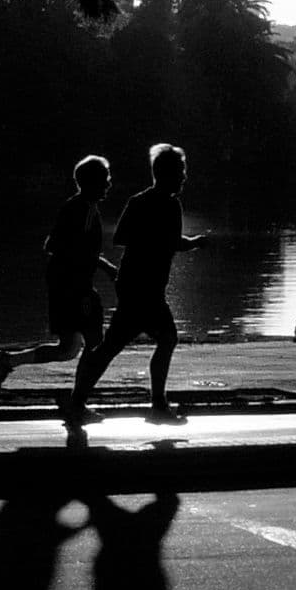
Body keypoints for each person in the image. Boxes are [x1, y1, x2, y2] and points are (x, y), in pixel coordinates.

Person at [67, 142, 200, 422]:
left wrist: (185, 243)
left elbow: (129, 238)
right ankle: (157, 405)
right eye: (181, 172)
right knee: (164, 339)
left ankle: (79, 400)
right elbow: (158, 241)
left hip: (135, 284)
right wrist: (185, 242)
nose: (185, 177)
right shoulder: (164, 204)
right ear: (168, 174)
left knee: (116, 345)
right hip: (144, 287)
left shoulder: (142, 202)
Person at [0, 155, 115, 398]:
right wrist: (96, 268)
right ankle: (79, 400)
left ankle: (7, 361)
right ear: (92, 183)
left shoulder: (85, 208)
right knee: (94, 344)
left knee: (68, 350)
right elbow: (55, 245)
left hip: (69, 285)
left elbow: (73, 248)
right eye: (105, 180)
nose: (108, 185)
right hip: (73, 288)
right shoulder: (80, 210)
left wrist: (106, 268)